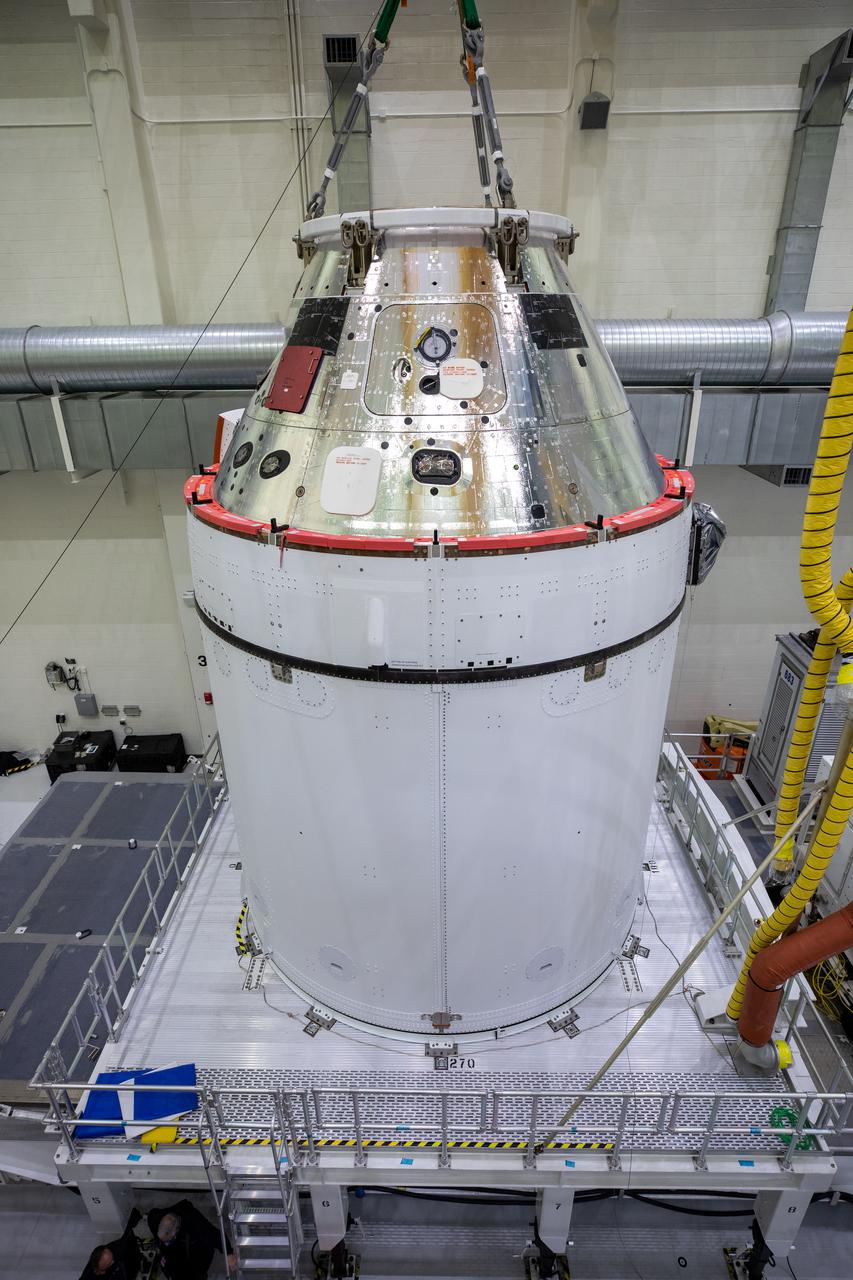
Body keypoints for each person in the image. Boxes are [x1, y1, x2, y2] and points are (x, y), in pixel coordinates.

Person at [147, 1199, 237, 1279]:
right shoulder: (154, 1219)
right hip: (171, 1254)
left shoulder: (195, 1223)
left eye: (168, 1241)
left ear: (176, 1232)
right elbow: (152, 1215)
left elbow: (217, 1236)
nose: (166, 1243)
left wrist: (229, 1253)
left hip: (193, 1249)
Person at [77, 1209, 141, 1279]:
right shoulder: (89, 1273)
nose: (112, 1262)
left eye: (111, 1261)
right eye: (102, 1270)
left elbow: (127, 1230)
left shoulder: (119, 1249)